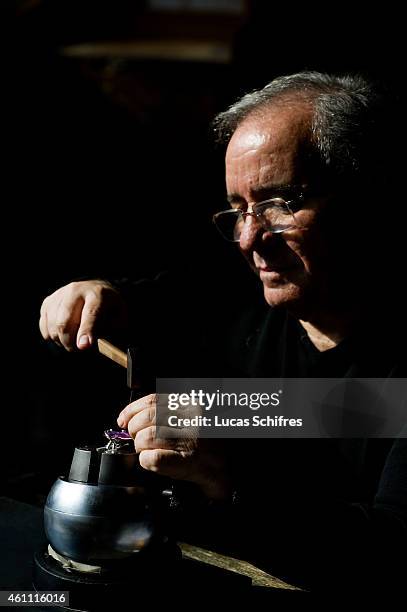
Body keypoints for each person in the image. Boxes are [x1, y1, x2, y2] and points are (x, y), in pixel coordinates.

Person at [39, 72, 406, 592]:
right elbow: (157, 299)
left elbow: (391, 549)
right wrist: (101, 293)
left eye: (281, 202)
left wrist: (229, 477)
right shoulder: (250, 297)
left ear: (367, 197)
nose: (249, 239)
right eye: (238, 210)